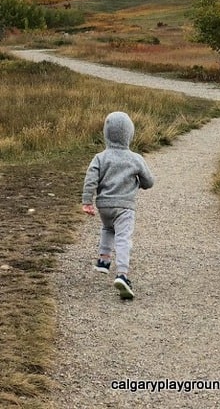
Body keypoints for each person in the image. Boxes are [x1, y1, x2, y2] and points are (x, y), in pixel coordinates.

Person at [81, 111, 154, 300]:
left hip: (104, 205)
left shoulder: (100, 157)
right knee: (123, 238)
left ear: (106, 134)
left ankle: (103, 260)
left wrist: (87, 201)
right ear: (129, 135)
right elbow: (149, 182)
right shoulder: (135, 158)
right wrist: (139, 181)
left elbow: (90, 179)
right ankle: (122, 275)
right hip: (124, 207)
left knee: (107, 228)